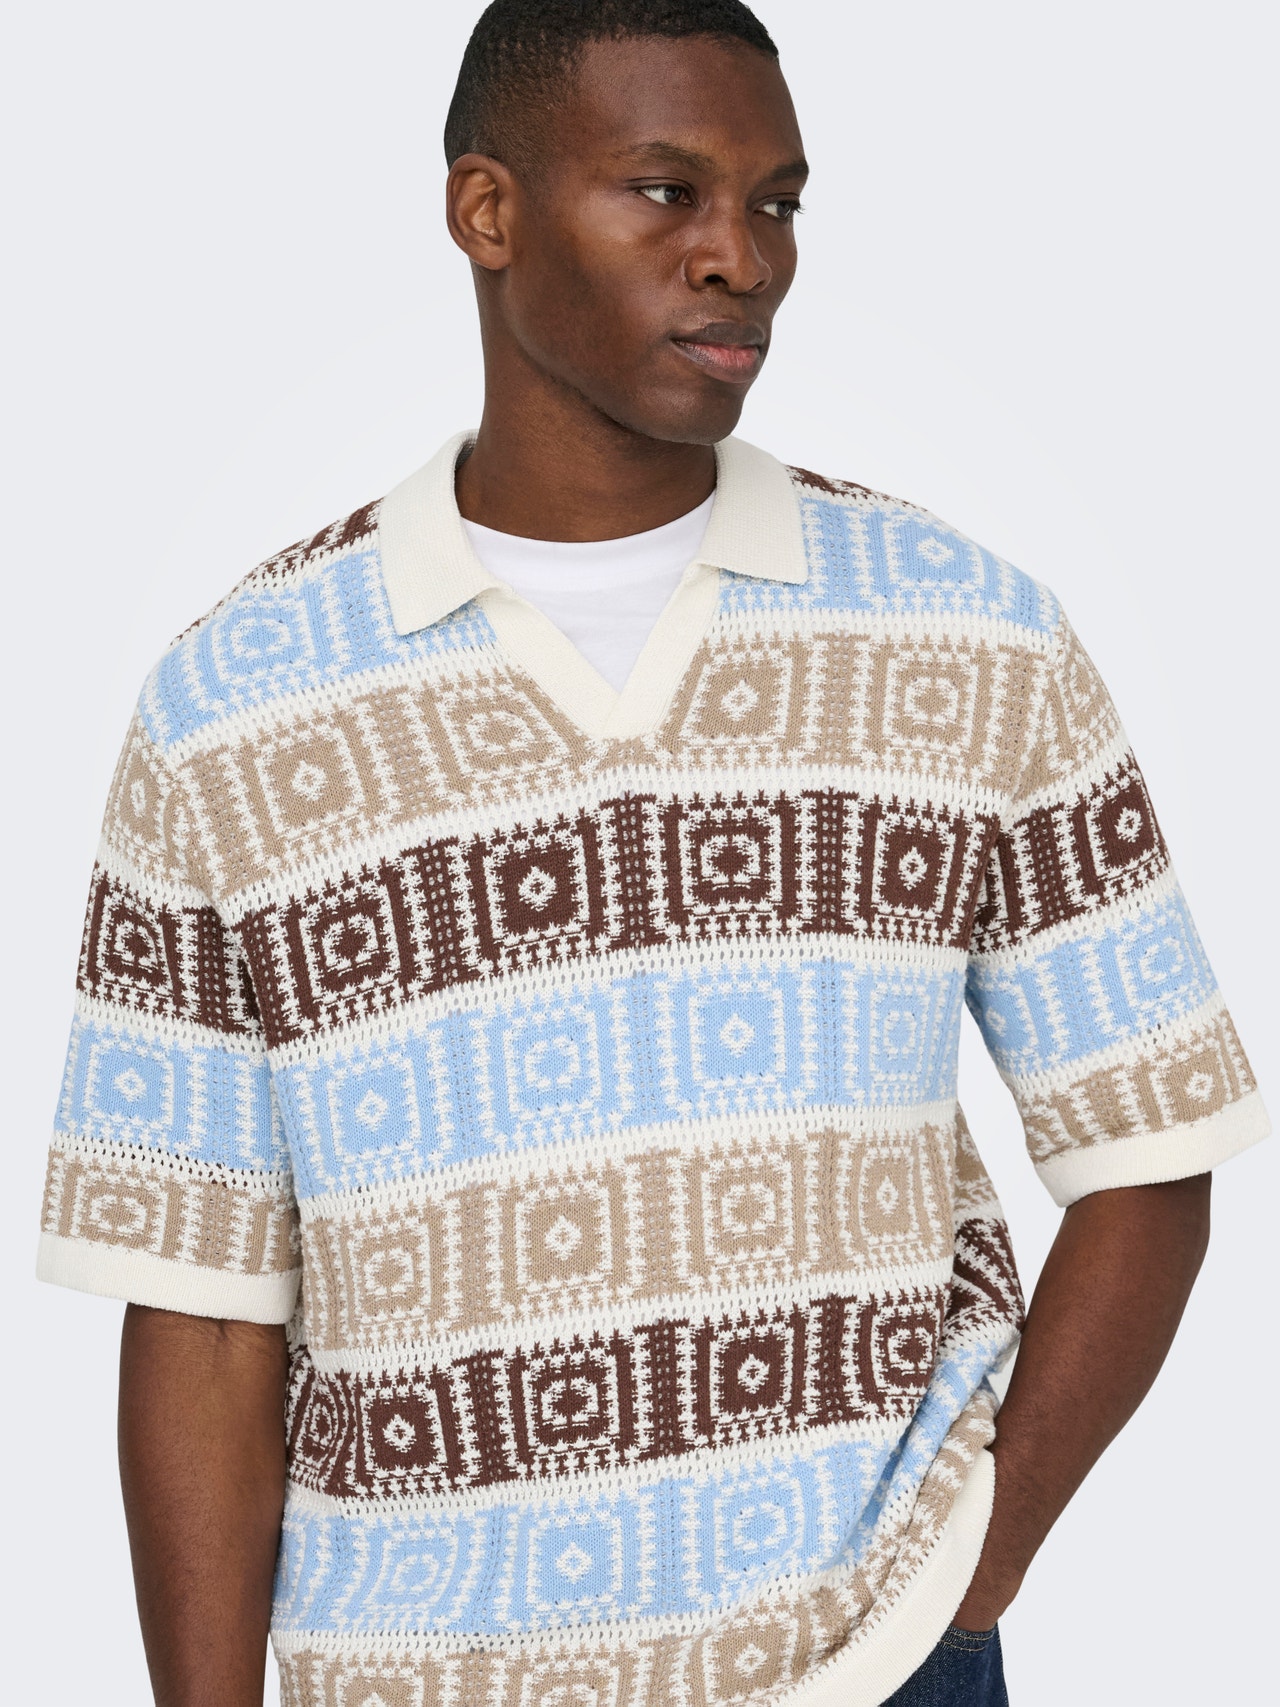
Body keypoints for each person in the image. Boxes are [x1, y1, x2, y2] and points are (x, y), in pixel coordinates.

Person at [35, 2, 1268, 1704]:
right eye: (668, 192)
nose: (740, 259)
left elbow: (1152, 1137)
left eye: (777, 204)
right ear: (487, 211)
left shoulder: (967, 635)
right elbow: (199, 1311)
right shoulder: (236, 704)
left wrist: (973, 1571)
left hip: (873, 1663)